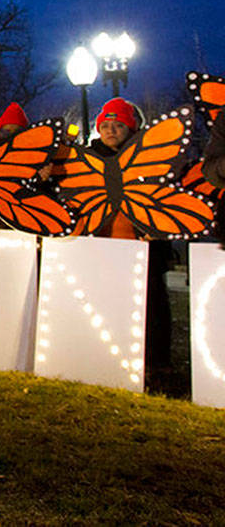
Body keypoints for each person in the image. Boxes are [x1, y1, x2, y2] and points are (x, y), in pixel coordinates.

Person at [86, 97, 173, 386]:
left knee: (152, 305)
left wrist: (156, 229)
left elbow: (163, 198)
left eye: (118, 125)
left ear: (131, 128)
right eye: (106, 125)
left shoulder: (149, 157)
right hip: (103, 245)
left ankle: (157, 362)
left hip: (144, 245)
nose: (111, 130)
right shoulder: (88, 159)